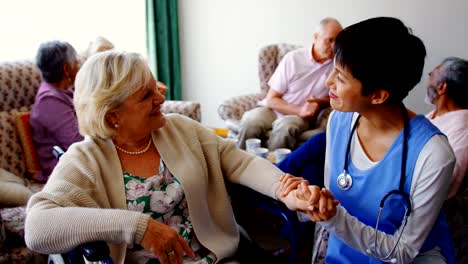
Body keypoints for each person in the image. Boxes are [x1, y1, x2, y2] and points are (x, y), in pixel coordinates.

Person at [25, 51, 308, 264]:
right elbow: (36, 227)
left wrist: (286, 188)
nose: (160, 98)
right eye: (146, 95)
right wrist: (137, 227)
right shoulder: (86, 159)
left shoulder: (180, 128)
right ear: (113, 116)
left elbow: (240, 161)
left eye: (154, 87)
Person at [281, 17, 457, 263]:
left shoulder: (434, 154)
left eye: (340, 78)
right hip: (342, 255)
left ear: (377, 95)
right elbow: (333, 200)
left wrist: (333, 218)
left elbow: (403, 251)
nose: (327, 82)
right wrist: (312, 201)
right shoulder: (339, 121)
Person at [238, 17, 342, 150]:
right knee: (250, 121)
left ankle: (273, 169)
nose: (334, 46)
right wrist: (300, 110)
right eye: (329, 40)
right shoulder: (293, 58)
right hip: (274, 109)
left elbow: (340, 96)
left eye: (337, 41)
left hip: (300, 118)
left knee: (285, 128)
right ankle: (237, 163)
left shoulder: (338, 64)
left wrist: (320, 102)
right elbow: (271, 99)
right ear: (316, 37)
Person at [29, 40, 83, 182]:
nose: (79, 66)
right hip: (63, 170)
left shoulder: (64, 91)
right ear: (66, 69)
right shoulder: (50, 101)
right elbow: (77, 142)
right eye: (76, 62)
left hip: (78, 161)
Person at [424, 57, 468, 199]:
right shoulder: (430, 117)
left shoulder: (463, 130)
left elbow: (446, 186)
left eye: (431, 75)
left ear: (442, 87)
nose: (427, 81)